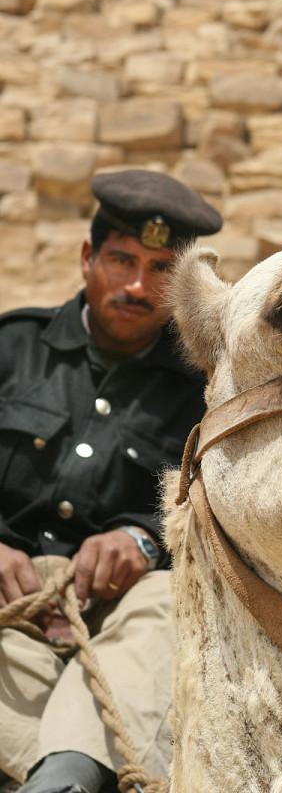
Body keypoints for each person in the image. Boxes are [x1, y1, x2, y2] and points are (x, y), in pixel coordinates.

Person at [0, 169, 223, 793]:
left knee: (166, 599)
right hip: (8, 609)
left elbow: (220, 507)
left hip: (122, 622)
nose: (136, 284)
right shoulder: (11, 349)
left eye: (160, 270)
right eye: (122, 259)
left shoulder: (206, 394)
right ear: (86, 258)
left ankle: (67, 779)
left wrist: (145, 539)